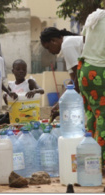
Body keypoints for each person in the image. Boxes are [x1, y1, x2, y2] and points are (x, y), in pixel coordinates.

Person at [77, 8, 105, 167]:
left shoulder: (95, 16)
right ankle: (99, 162)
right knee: (103, 116)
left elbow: (85, 41)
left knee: (92, 115)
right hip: (100, 72)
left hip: (85, 70)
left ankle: (88, 159)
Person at [40, 27, 84, 121]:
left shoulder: (67, 45)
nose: (50, 52)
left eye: (48, 47)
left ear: (53, 41)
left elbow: (78, 79)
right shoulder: (67, 45)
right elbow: (73, 82)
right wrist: (59, 103)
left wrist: (64, 105)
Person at [1, 59, 44, 124]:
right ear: (13, 71)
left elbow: (42, 90)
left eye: (24, 70)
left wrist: (34, 91)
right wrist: (6, 97)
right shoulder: (10, 85)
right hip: (16, 118)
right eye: (18, 69)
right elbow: (8, 103)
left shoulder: (29, 82)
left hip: (28, 117)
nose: (21, 71)